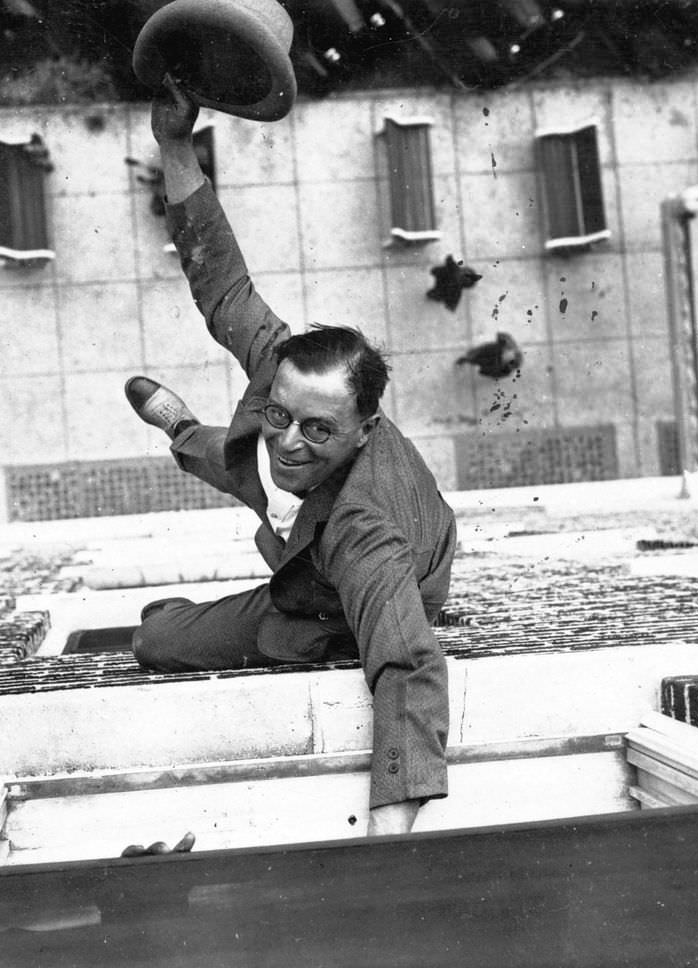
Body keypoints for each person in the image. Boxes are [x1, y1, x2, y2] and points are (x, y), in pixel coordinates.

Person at [125, 78, 456, 837]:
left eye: (318, 429)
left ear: (364, 429)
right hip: (290, 503)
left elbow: (407, 667)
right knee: (223, 451)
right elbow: (221, 283)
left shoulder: (363, 534)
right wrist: (175, 143)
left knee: (156, 641)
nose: (291, 440)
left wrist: (387, 838)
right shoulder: (287, 381)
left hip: (326, 592)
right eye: (282, 413)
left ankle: (189, 587)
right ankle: (183, 430)